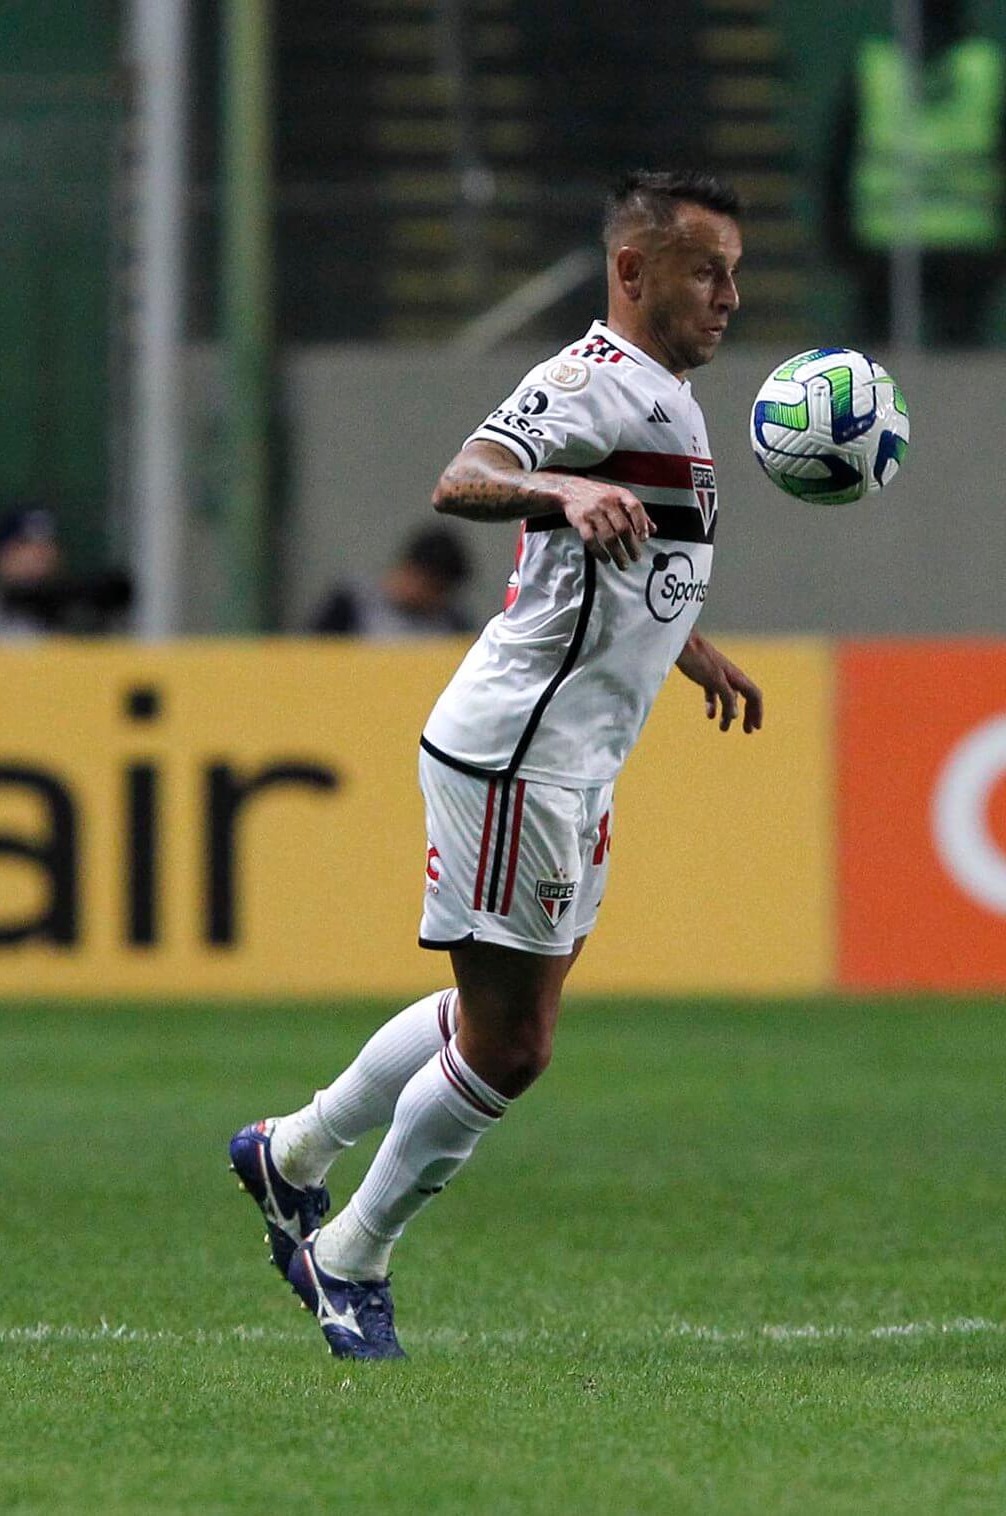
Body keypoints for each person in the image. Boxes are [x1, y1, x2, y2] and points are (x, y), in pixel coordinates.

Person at [228, 169, 762, 1360]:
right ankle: (347, 1254)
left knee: (498, 1014)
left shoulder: (668, 394)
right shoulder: (588, 381)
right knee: (512, 1045)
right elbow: (463, 476)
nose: (730, 295)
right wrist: (557, 482)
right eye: (705, 271)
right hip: (519, 751)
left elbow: (614, 569)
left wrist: (690, 650)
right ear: (633, 272)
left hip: (570, 757)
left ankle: (293, 1151)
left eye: (736, 272)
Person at [824, 0, 1006, 349]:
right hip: (966, 242)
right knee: (960, 374)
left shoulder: (875, 66)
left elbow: (838, 162)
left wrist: (841, 244)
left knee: (869, 379)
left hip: (884, 241)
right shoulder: (985, 67)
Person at [0, 505, 132, 639]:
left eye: (45, 547)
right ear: (0, 555)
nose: (38, 556)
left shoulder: (73, 612)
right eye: (24, 546)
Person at [306, 525, 476, 638]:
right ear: (411, 571)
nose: (435, 600)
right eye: (434, 588)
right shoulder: (349, 606)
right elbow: (315, 655)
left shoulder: (451, 623)